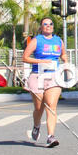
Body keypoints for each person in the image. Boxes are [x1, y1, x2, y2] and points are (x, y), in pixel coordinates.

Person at [22, 17, 67, 147]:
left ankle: (51, 136)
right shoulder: (37, 40)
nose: (48, 26)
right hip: (37, 76)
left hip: (54, 76)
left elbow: (63, 54)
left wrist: (66, 61)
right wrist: (41, 62)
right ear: (41, 27)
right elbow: (25, 57)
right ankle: (36, 125)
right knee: (38, 107)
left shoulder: (58, 40)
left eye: (50, 24)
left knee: (51, 106)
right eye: (45, 24)